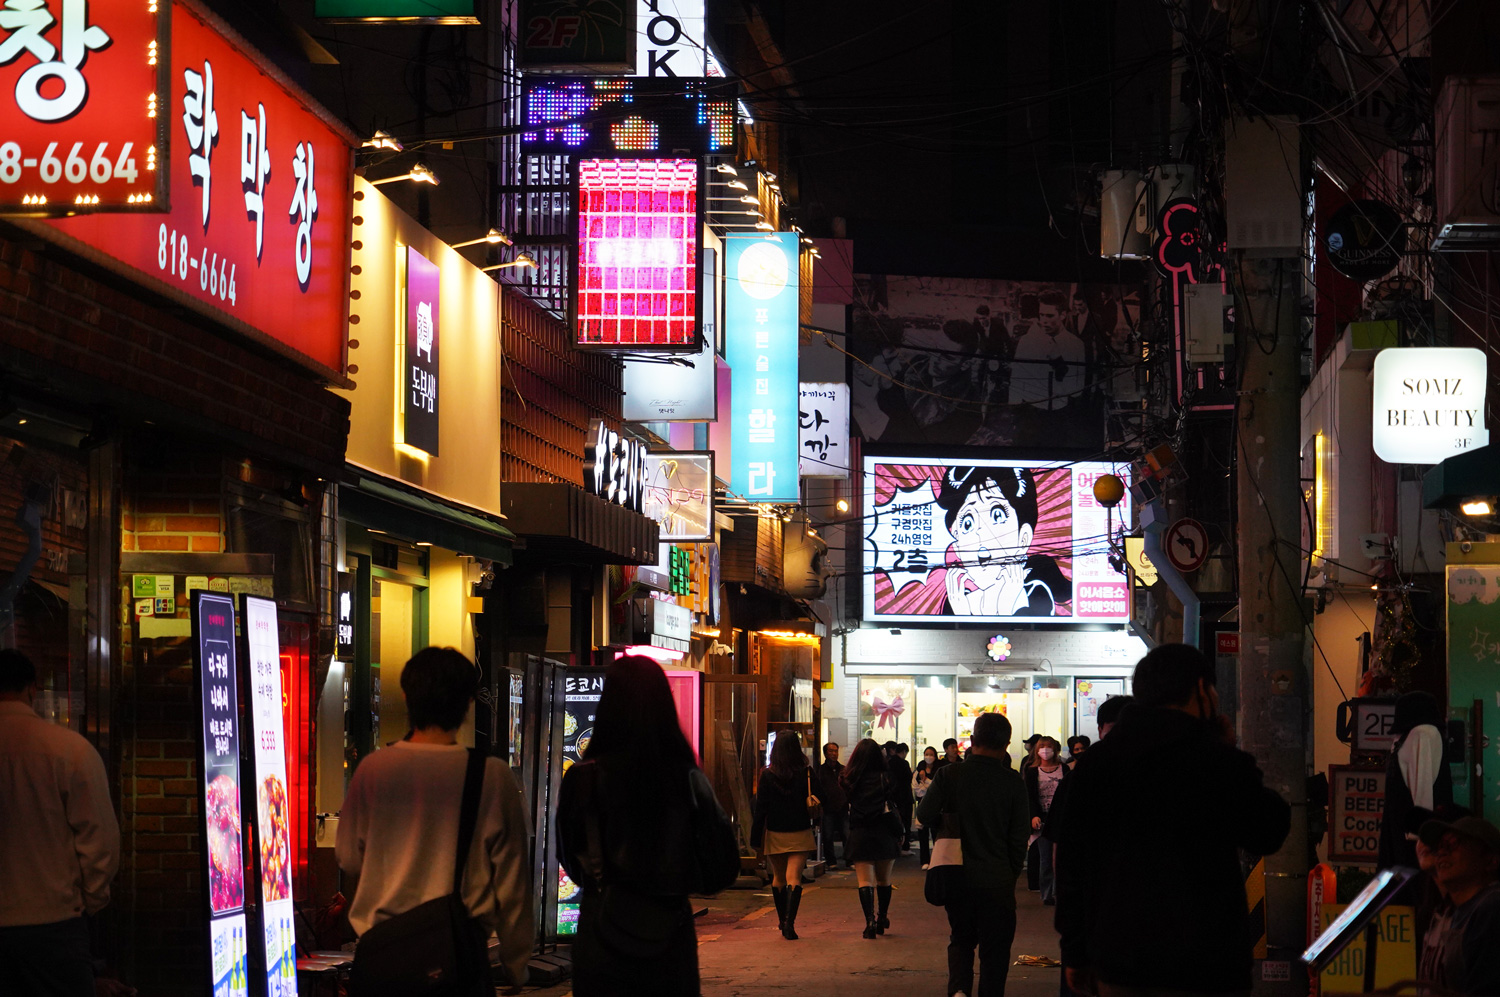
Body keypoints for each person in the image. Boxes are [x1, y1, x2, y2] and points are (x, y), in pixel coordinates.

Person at [1054, 644, 1291, 997]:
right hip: (1206, 961)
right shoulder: (1211, 758)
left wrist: (1075, 951)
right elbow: (1267, 830)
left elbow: (1073, 865)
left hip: (1121, 957)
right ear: (1201, 689)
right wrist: (1229, 754)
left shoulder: (1097, 763)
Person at [337, 647, 533, 994]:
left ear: (406, 697)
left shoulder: (373, 770)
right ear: (469, 703)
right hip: (457, 962)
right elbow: (513, 886)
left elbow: (349, 859)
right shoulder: (491, 777)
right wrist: (516, 964)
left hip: (381, 961)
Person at [557, 656, 733, 996]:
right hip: (669, 934)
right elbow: (721, 867)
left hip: (601, 932)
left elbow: (570, 860)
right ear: (664, 705)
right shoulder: (687, 779)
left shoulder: (582, 779)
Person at [0, 648, 121, 997]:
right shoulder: (71, 751)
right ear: (32, 689)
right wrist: (89, 903)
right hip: (55, 927)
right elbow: (102, 844)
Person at [917, 711, 1030, 997]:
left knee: (961, 939)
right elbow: (1019, 837)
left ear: (971, 740)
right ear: (1007, 744)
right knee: (996, 950)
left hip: (956, 873)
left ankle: (959, 990)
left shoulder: (949, 774)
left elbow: (924, 813)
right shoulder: (1013, 781)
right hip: (997, 879)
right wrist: (1011, 872)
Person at [935, 466, 1071, 617]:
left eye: (997, 515)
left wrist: (1007, 604)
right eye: (967, 523)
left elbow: (1028, 638)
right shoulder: (957, 601)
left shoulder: (1034, 593)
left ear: (1023, 538)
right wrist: (961, 613)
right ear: (957, 545)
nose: (980, 533)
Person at [1417, 816, 1500, 995]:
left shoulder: (1491, 908)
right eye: (1439, 845)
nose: (1441, 852)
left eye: (1453, 844)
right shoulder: (1461, 911)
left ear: (1492, 861)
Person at [751, 731, 816, 940]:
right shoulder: (806, 772)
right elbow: (821, 797)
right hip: (800, 830)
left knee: (778, 876)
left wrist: (755, 838)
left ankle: (782, 920)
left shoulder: (767, 775)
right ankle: (790, 923)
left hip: (775, 832)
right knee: (794, 876)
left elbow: (760, 808)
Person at [1380, 691, 1453, 871]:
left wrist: (1422, 834)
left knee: (1409, 886)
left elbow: (1423, 784)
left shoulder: (1423, 734)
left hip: (1411, 835)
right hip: (1401, 828)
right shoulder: (1409, 736)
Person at [843, 738, 901, 938]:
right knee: (884, 880)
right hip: (884, 832)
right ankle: (882, 917)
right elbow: (893, 801)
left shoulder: (849, 779)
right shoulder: (886, 777)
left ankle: (869, 922)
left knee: (864, 881)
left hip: (860, 833)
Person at [1010, 290, 1086, 412]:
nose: (1044, 321)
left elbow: (1077, 390)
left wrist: (1059, 366)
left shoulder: (1076, 345)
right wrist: (1013, 411)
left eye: (1050, 316)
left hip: (1060, 412)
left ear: (1063, 315)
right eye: (1042, 315)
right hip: (1029, 412)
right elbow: (1016, 378)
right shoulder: (1027, 341)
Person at [1024, 736, 1068, 905]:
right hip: (1042, 819)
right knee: (1045, 858)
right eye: (1042, 747)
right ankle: (1047, 893)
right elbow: (1030, 796)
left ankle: (1060, 890)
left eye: (1049, 747)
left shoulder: (1063, 769)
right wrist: (1033, 815)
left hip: (1061, 818)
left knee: (1061, 857)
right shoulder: (1032, 771)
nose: (1045, 750)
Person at [817, 742, 851, 870]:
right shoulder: (821, 770)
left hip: (842, 807)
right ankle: (831, 861)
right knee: (828, 835)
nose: (834, 753)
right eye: (831, 751)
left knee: (846, 834)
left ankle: (849, 860)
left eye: (836, 751)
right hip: (827, 808)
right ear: (825, 753)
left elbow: (848, 786)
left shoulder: (843, 769)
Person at [914, 746, 939, 867]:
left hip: (935, 806)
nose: (929, 757)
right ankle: (924, 861)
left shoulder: (939, 770)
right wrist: (927, 787)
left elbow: (936, 788)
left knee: (935, 834)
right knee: (922, 834)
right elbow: (916, 789)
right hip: (922, 805)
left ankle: (936, 859)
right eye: (926, 754)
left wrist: (926, 783)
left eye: (931, 754)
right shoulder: (919, 770)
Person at [889, 743, 916, 854]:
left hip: (893, 796)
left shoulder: (889, 763)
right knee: (906, 821)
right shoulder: (904, 763)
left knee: (894, 822)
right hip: (904, 796)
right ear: (904, 752)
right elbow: (909, 778)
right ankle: (905, 847)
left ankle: (894, 846)